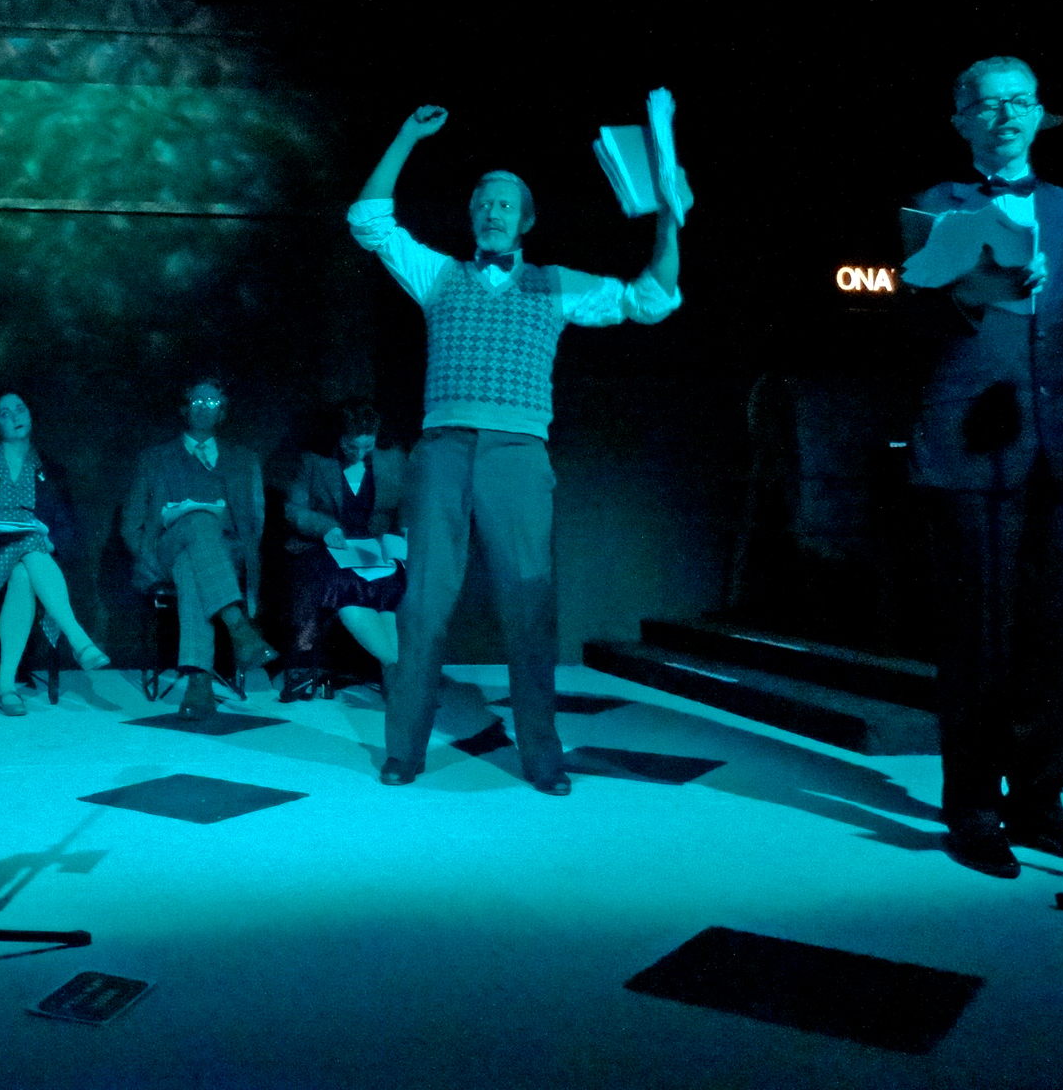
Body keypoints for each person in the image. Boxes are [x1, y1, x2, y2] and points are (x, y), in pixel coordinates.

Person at [353, 104, 681, 794]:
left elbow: (651, 298)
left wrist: (668, 218)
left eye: (505, 203)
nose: (492, 211)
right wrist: (407, 135)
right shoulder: (439, 274)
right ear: (472, 215)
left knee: (528, 604)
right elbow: (369, 221)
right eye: (483, 202)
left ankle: (541, 755)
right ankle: (404, 749)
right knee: (423, 603)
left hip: (519, 454)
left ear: (525, 220)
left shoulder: (555, 283)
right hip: (443, 450)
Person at [903, 56, 1063, 880]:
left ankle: (1039, 805)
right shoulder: (936, 203)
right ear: (962, 121)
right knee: (978, 639)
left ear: (1040, 114)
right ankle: (973, 809)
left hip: (1057, 448)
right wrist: (989, 282)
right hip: (968, 449)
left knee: (1052, 639)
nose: (1006, 114)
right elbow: (922, 311)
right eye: (988, 104)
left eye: (1020, 101)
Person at [121, 375, 275, 719]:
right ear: (184, 408)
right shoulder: (154, 458)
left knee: (192, 567)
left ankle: (198, 681)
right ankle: (238, 628)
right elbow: (131, 525)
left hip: (222, 557)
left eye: (212, 403)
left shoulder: (244, 460)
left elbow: (254, 523)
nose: (204, 408)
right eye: (196, 401)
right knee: (197, 521)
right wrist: (148, 558)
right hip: (165, 549)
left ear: (222, 412)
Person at [0, 390, 109, 715]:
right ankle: (79, 640)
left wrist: (48, 538)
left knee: (25, 565)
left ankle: (5, 685)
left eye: (20, 409)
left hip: (32, 558)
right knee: (29, 546)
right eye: (5, 413)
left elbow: (67, 529)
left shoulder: (50, 470)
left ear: (31, 415)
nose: (15, 417)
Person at [282, 400, 405, 680]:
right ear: (339, 438)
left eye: (367, 446)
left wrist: (397, 542)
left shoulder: (392, 459)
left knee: (390, 585)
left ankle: (393, 671)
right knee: (347, 586)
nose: (359, 454)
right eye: (351, 447)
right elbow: (293, 509)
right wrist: (325, 527)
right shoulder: (315, 461)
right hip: (328, 547)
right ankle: (397, 671)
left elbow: (405, 508)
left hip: (373, 547)